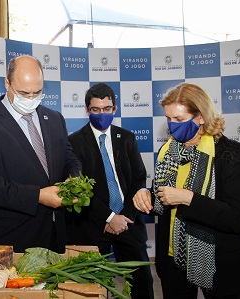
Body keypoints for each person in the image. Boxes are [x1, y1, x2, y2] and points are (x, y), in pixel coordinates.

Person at [133, 82, 240, 299]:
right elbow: (162, 202)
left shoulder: (233, 155)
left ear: (201, 117)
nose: (172, 125)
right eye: (169, 119)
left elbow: (236, 219)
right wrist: (145, 196)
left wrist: (189, 199)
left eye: (179, 119)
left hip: (219, 263)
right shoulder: (168, 152)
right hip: (173, 261)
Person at [0, 55, 82, 253]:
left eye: (37, 93)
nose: (31, 99)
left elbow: (69, 158)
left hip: (56, 235)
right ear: (7, 83)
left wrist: (73, 179)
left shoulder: (54, 119)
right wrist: (38, 196)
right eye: (23, 93)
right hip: (13, 239)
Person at [67, 83, 154, 299]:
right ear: (87, 110)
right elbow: (79, 188)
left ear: (114, 109)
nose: (102, 114)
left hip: (128, 222)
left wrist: (123, 217)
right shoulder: (73, 142)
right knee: (91, 286)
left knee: (142, 281)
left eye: (107, 109)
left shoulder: (126, 138)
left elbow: (138, 178)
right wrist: (109, 217)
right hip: (93, 225)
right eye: (96, 110)